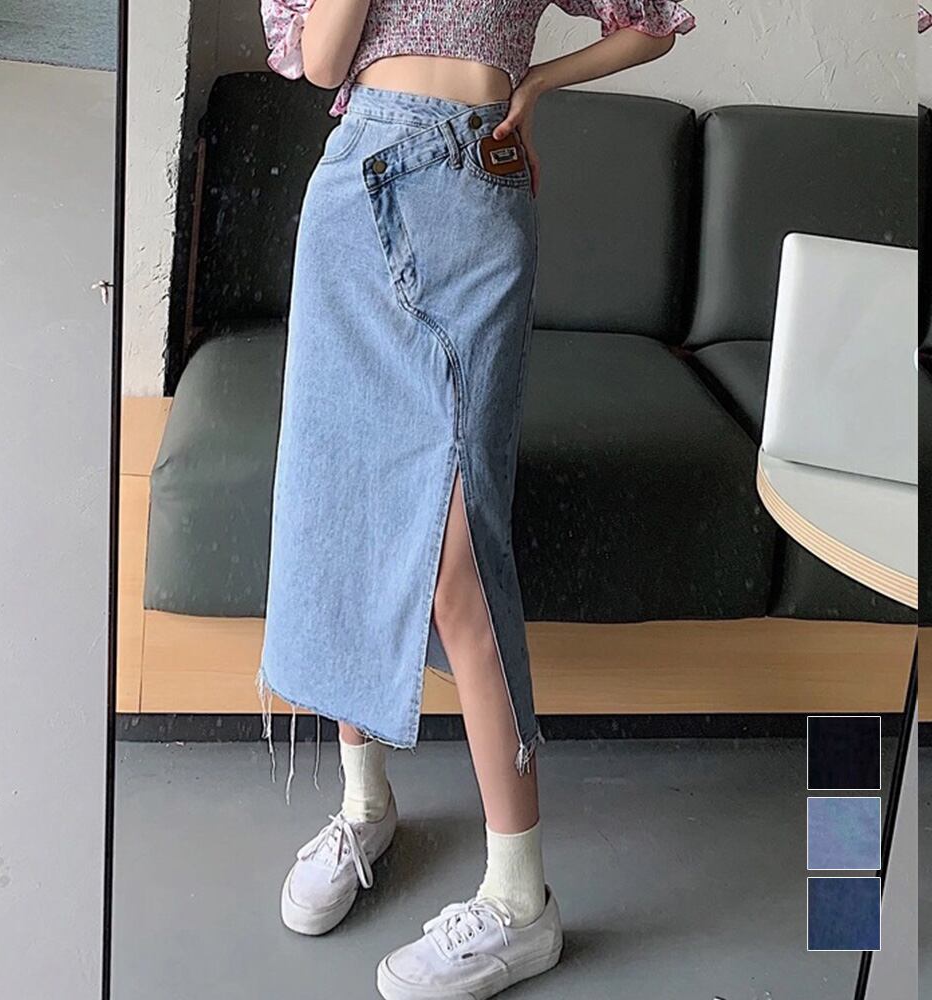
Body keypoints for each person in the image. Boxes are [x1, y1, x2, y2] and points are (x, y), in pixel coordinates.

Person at [256, 2, 695, 997]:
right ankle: (364, 805)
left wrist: (539, 83)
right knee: (346, 511)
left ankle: (519, 900)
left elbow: (655, 22)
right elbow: (323, 61)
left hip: (476, 195)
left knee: (457, 560)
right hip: (355, 189)